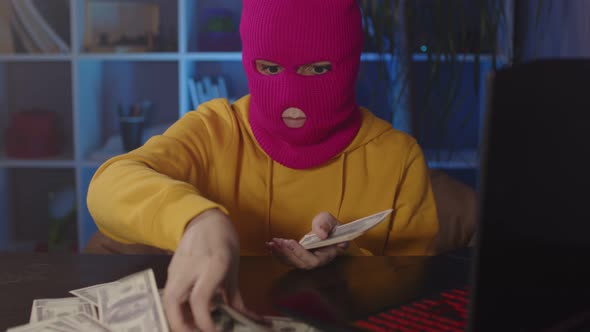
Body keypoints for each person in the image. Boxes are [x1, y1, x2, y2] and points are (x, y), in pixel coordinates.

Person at [87, 0, 439, 331]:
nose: (290, 93)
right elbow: (108, 184)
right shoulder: (214, 131)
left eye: (317, 69)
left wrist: (344, 262)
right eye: (269, 68)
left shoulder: (398, 159)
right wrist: (197, 219)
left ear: (350, 63)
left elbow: (415, 295)